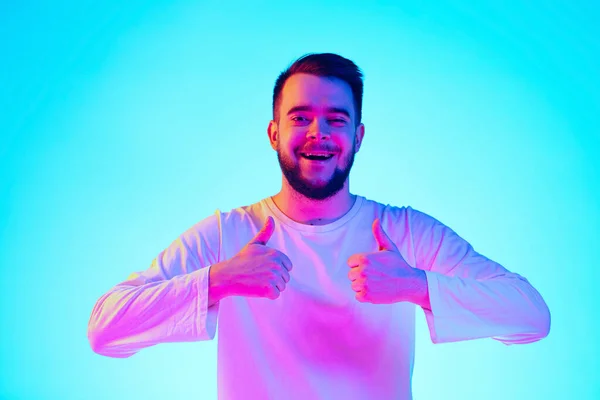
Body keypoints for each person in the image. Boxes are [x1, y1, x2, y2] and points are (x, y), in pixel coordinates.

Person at [87, 53, 551, 399]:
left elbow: (531, 316)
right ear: (273, 133)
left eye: (336, 119)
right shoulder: (229, 234)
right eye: (300, 118)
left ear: (358, 137)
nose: (318, 134)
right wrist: (219, 280)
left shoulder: (405, 232)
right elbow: (104, 330)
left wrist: (418, 285)